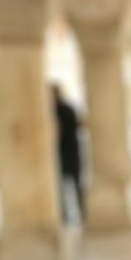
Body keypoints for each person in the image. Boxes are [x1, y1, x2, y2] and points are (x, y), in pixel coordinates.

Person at [51, 83, 83, 221]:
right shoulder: (65, 109)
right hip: (66, 151)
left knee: (72, 183)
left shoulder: (56, 111)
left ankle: (72, 213)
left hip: (66, 151)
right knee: (63, 185)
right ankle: (66, 213)